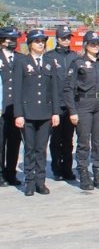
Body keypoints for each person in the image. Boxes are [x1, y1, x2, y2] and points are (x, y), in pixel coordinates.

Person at [64, 30, 99, 191]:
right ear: (86, 45)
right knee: (83, 142)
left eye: (97, 43)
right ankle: (83, 173)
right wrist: (72, 111)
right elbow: (68, 89)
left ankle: (98, 173)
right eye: (92, 43)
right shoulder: (78, 63)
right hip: (84, 103)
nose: (95, 46)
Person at [13, 29, 59, 196]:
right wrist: (18, 114)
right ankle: (29, 182)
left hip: (45, 113)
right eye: (37, 41)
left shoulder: (49, 62)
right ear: (30, 44)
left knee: (41, 149)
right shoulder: (21, 62)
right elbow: (17, 90)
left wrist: (55, 112)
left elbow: (53, 89)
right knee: (30, 149)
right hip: (28, 112)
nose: (41, 43)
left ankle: (41, 181)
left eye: (43, 41)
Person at [46, 25, 79, 181]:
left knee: (68, 139)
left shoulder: (75, 57)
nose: (66, 40)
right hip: (56, 105)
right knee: (56, 139)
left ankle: (67, 169)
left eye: (68, 38)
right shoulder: (49, 57)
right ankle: (56, 168)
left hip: (71, 104)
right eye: (63, 38)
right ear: (57, 39)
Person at [1, 26, 23, 186]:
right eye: (10, 39)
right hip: (1, 108)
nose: (13, 42)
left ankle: (11, 173)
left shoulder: (21, 58)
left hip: (16, 109)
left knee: (14, 143)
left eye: (15, 39)